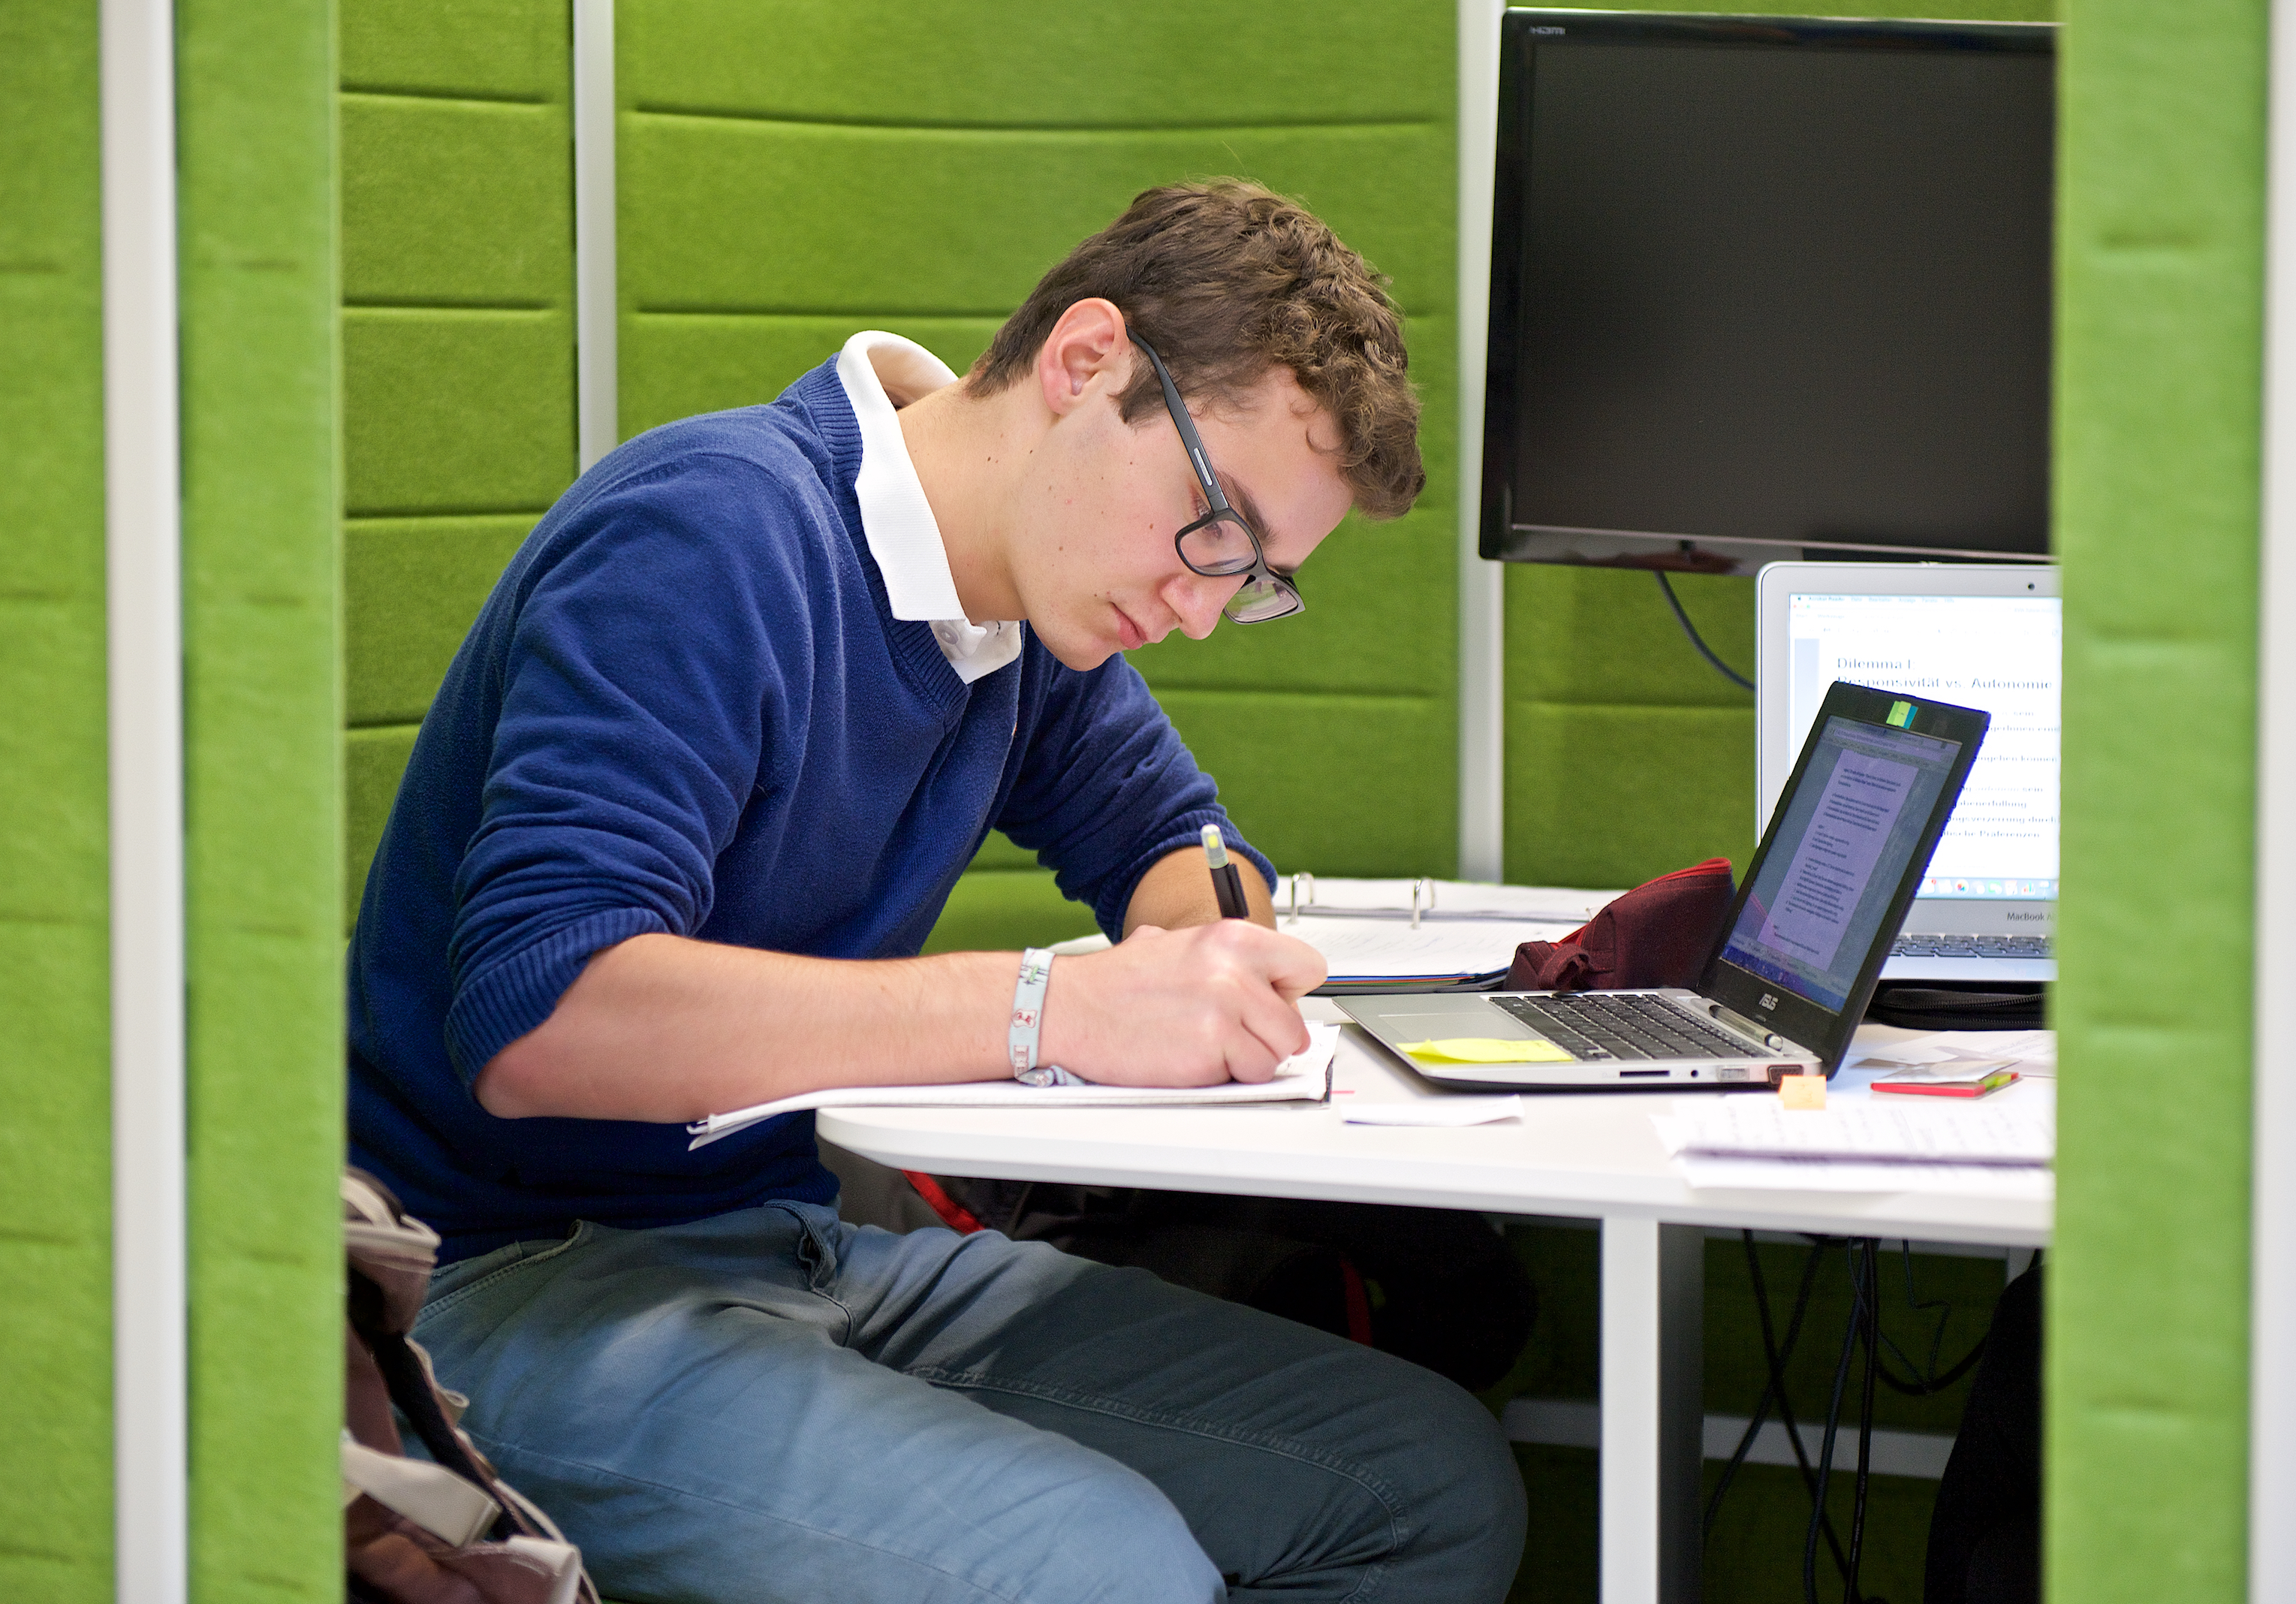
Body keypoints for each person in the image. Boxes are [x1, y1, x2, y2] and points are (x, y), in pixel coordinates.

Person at [348, 180, 1527, 1602]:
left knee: (1427, 1483)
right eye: (1214, 529)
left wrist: (1210, 939)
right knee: (1109, 1574)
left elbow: (1173, 842)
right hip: (501, 1286)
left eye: (1259, 578)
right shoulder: (712, 538)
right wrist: (1053, 1006)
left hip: (786, 1246)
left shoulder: (1025, 613)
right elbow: (546, 1020)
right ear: (1088, 363)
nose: (1207, 606)